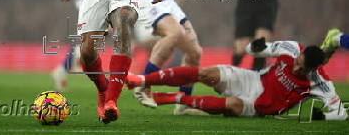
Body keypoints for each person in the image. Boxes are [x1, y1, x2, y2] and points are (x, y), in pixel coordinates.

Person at [127, 38, 348, 121]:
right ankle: (142, 80)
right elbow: (256, 51)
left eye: (303, 68)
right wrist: (255, 46)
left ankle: (176, 98)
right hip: (252, 79)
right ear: (299, 54)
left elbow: (341, 114)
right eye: (298, 61)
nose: (297, 67)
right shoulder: (290, 48)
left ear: (314, 69)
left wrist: (323, 118)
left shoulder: (320, 82)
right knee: (206, 73)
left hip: (261, 106)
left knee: (231, 106)